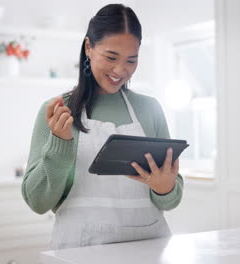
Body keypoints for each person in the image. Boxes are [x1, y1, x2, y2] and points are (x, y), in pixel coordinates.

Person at [22, 3, 183, 250]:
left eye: (131, 60)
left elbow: (170, 199)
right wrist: (60, 143)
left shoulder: (150, 109)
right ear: (89, 47)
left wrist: (165, 188)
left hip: (148, 249)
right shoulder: (57, 112)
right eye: (111, 57)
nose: (121, 70)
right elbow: (37, 202)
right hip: (80, 251)